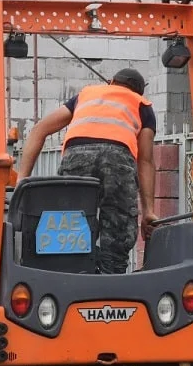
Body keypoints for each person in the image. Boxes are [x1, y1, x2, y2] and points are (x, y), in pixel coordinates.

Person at [15, 68, 158, 275]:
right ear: (139, 91)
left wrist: (22, 180)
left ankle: (71, 275)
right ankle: (112, 281)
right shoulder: (142, 105)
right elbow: (145, 160)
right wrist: (148, 212)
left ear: (110, 82)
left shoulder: (85, 95)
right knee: (117, 227)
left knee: (70, 222)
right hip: (117, 159)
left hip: (76, 155)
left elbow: (40, 130)